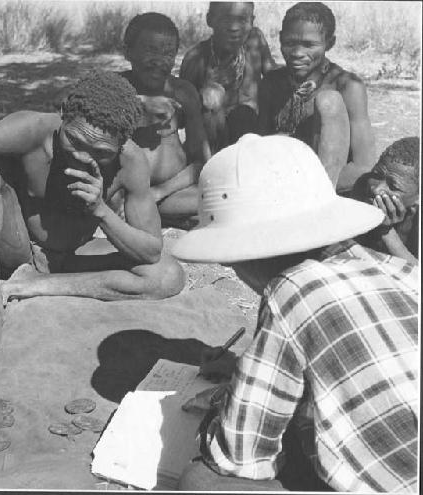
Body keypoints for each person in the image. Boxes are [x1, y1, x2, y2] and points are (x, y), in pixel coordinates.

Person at [172, 134, 418, 492]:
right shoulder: (399, 270)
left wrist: (220, 407)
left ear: (236, 253)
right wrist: (243, 371)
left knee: (200, 481)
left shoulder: (292, 291)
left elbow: (241, 455)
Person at [0, 69, 185, 350]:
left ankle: (23, 286)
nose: (82, 156)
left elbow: (150, 251)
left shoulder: (130, 163)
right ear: (63, 115)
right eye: (74, 141)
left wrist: (100, 210)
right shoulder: (28, 129)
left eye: (101, 152)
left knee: (168, 276)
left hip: (74, 253)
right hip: (15, 249)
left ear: (123, 143)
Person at [258, 2, 376, 194]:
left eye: (309, 45)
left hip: (328, 186)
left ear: (330, 43)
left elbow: (364, 167)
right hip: (281, 182)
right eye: (289, 43)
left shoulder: (348, 87)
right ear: (279, 39)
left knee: (328, 101)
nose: (297, 53)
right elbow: (260, 147)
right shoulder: (271, 83)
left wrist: (311, 186)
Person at [120, 12, 210, 224]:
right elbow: (69, 107)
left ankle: (155, 214)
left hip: (170, 192)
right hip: (123, 194)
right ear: (128, 51)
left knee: (219, 201)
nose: (160, 61)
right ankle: (159, 216)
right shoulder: (115, 88)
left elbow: (201, 160)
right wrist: (139, 105)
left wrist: (160, 192)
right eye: (151, 50)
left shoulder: (183, 92)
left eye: (168, 53)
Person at [180, 2, 277, 153]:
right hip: (213, 145)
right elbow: (184, 116)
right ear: (210, 20)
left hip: (254, 138)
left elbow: (273, 74)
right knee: (212, 95)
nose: (234, 28)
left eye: (242, 20)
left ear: (252, 21)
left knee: (244, 114)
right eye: (226, 19)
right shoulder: (196, 58)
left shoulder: (255, 41)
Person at [354, 136, 419, 264]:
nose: (376, 189)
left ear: (417, 200)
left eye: (394, 187)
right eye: (377, 175)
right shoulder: (361, 187)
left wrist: (386, 232)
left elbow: (416, 276)